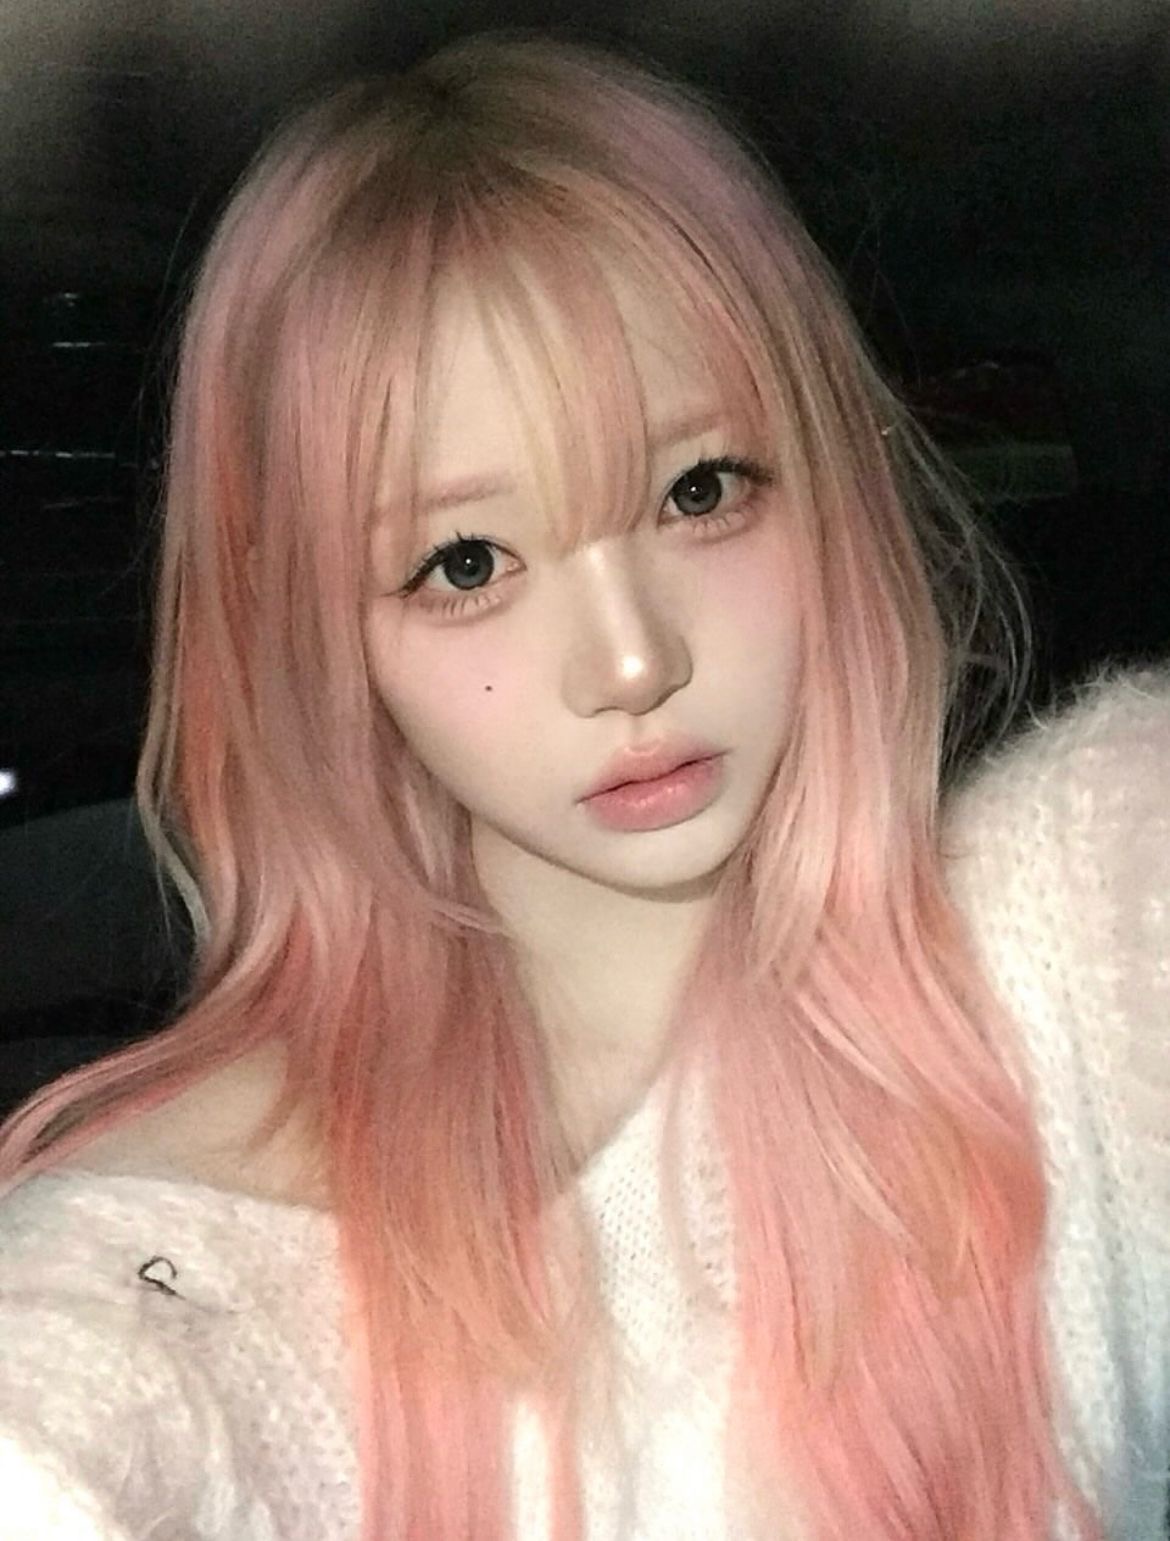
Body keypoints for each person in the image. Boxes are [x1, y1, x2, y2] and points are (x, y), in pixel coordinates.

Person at [0, 29, 1166, 1541]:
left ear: (830, 480)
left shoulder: (1065, 915)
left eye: (699, 489)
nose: (629, 663)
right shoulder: (175, 1275)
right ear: (317, 643)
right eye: (464, 563)